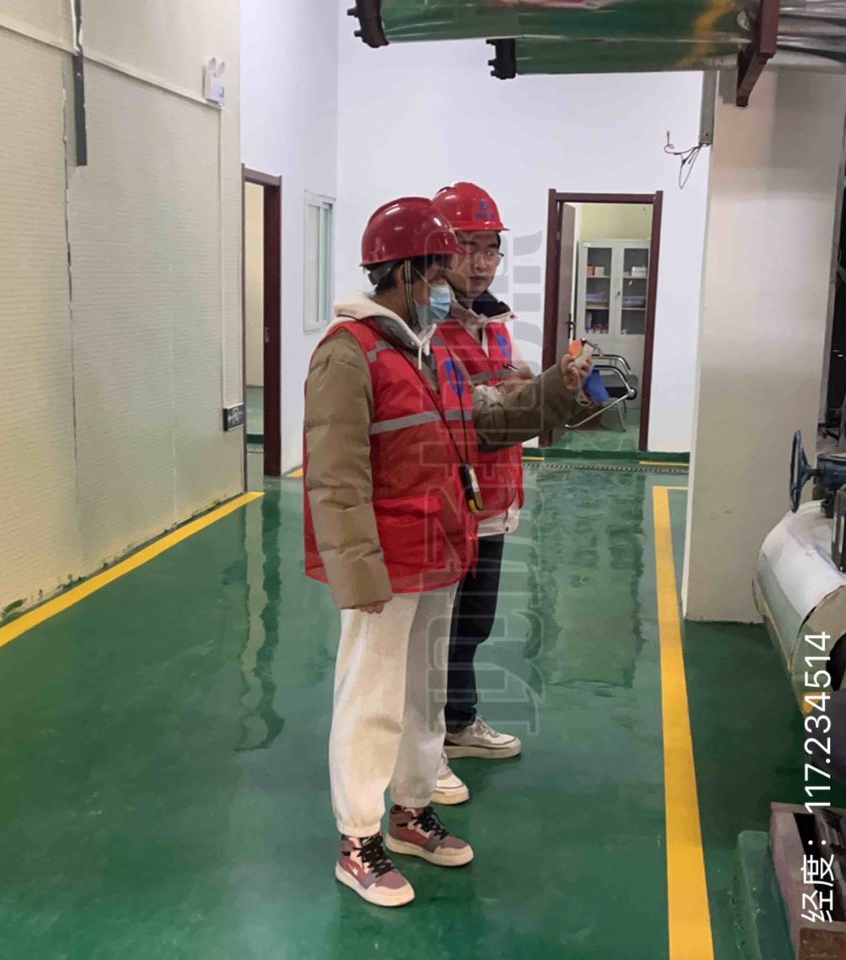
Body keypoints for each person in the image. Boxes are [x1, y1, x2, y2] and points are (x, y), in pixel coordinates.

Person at [303, 197, 586, 907]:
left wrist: (557, 390)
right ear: (401, 272)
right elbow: (335, 477)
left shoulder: (424, 350)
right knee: (372, 697)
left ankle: (410, 811)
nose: (447, 285)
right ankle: (358, 839)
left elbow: (481, 425)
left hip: (438, 552)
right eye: (436, 271)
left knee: (425, 694)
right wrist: (358, 573)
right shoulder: (348, 352)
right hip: (385, 564)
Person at [428, 184, 530, 808]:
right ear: (440, 249)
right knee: (433, 633)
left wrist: (528, 386)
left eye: (491, 248)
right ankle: (424, 749)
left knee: (471, 624)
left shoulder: (493, 322)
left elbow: (497, 400)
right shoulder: (425, 325)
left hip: (491, 499)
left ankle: (459, 721)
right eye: (468, 246)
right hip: (445, 505)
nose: (482, 261)